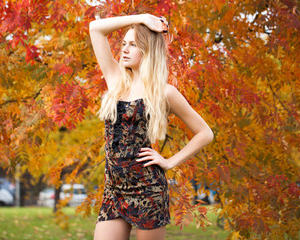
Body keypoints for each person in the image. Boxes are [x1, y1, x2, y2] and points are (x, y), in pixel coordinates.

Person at [89, 14, 214, 240]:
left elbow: (205, 133)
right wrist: (142, 18)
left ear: (147, 51)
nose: (124, 50)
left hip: (147, 189)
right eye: (124, 44)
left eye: (133, 45)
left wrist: (169, 161)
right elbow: (95, 28)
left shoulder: (164, 92)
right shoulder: (116, 79)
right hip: (114, 190)